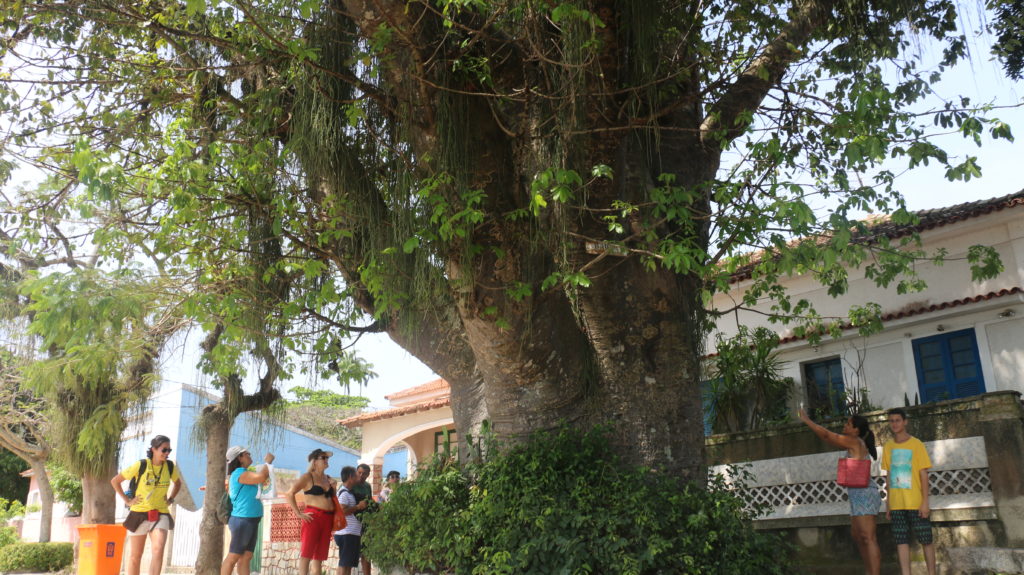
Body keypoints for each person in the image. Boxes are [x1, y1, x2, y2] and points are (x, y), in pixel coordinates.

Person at [799, 409, 881, 575]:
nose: (845, 425)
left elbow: (827, 436)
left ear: (856, 430)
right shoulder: (853, 442)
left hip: (864, 493)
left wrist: (807, 420)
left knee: (868, 537)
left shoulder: (855, 442)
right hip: (856, 494)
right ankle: (869, 571)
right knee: (858, 536)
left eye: (848, 424)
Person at [110, 434, 182, 575]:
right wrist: (127, 500)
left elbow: (178, 483)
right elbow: (115, 481)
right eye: (164, 450)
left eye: (169, 451)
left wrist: (170, 499)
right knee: (135, 556)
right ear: (154, 449)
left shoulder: (169, 466)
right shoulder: (141, 465)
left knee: (158, 549)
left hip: (160, 513)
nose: (167, 453)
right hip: (139, 513)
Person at [882, 408, 936, 575]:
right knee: (901, 541)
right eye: (891, 421)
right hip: (897, 503)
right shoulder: (888, 447)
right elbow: (889, 475)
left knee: (926, 539)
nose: (894, 424)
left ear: (905, 422)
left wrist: (925, 502)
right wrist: (888, 503)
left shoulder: (916, 444)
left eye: (897, 420)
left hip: (916, 502)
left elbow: (923, 474)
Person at [221, 446, 275, 575]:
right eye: (246, 454)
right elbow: (261, 477)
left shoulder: (244, 472)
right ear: (239, 458)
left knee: (246, 557)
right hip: (242, 520)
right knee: (233, 556)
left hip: (250, 520)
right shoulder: (240, 473)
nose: (250, 455)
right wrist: (268, 463)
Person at [285, 449, 337, 575]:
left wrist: (334, 487)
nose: (326, 460)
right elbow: (289, 493)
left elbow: (333, 499)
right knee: (306, 554)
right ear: (314, 461)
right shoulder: (307, 477)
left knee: (319, 557)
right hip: (313, 517)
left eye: (327, 458)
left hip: (327, 519)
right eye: (323, 458)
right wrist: (298, 513)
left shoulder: (328, 478)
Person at [334, 466, 368, 575]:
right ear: (350, 477)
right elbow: (342, 511)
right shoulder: (344, 493)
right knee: (345, 565)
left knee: (346, 564)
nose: (359, 477)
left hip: (350, 533)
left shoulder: (348, 492)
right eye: (356, 474)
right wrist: (358, 507)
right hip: (347, 533)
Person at [352, 463, 374, 575]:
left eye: (364, 473)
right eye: (359, 472)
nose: (361, 475)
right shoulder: (350, 485)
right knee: (350, 556)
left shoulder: (367, 486)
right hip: (352, 523)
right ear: (356, 472)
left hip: (365, 523)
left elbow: (370, 502)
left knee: (366, 552)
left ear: (368, 474)